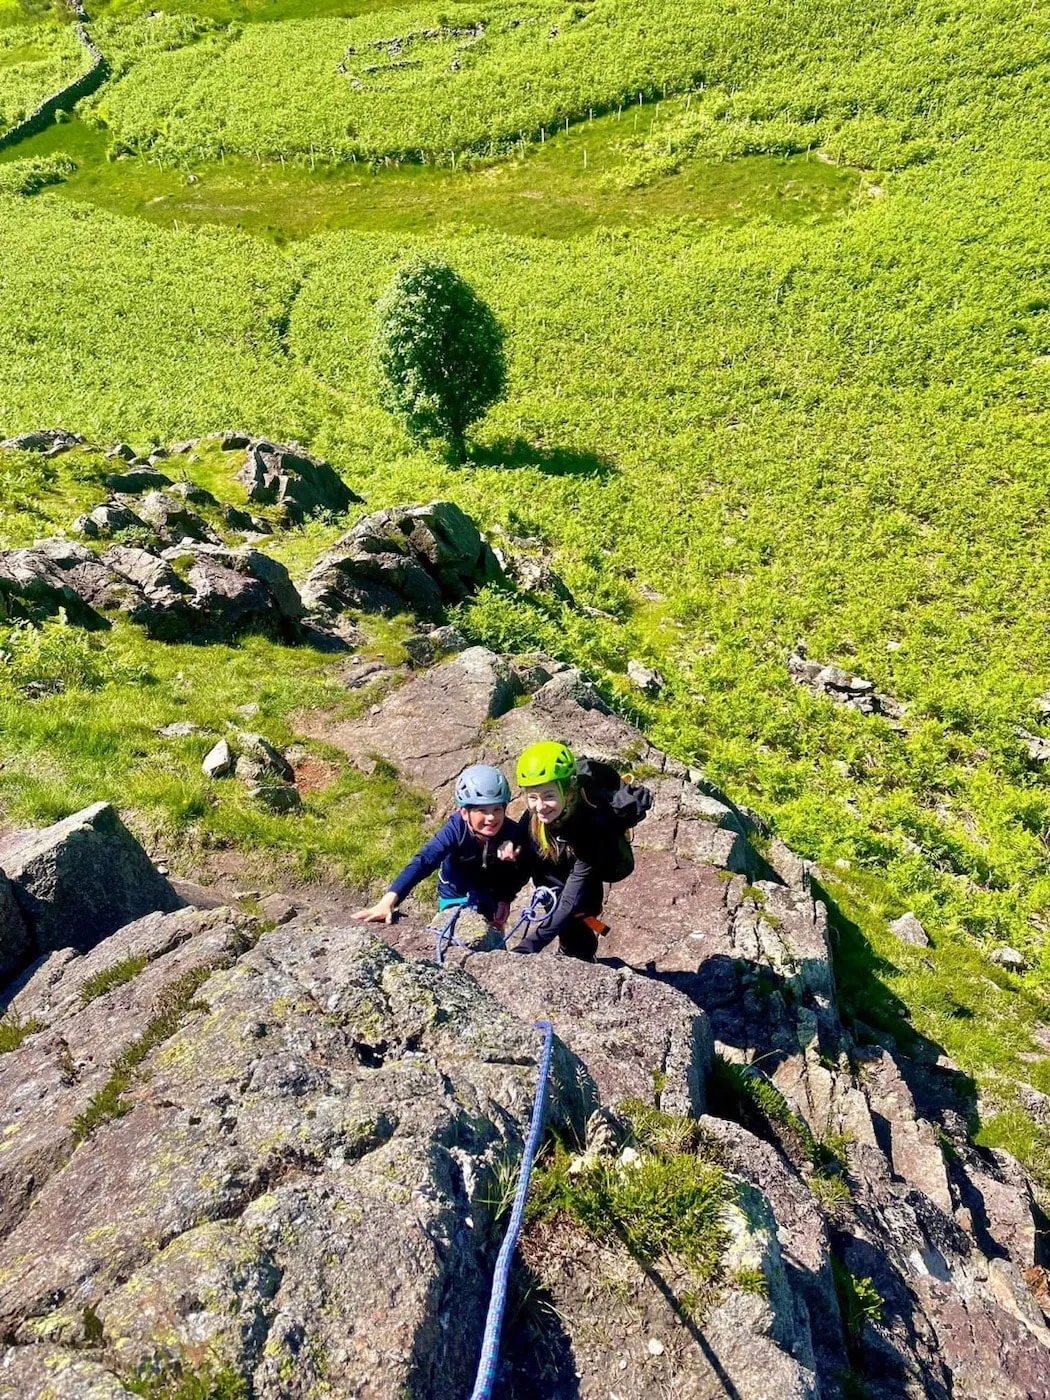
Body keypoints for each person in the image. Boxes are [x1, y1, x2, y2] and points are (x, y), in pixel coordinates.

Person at [352, 763, 527, 927]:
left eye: (497, 809)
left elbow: (523, 870)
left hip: (491, 894)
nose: (491, 818)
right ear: (465, 813)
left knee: (494, 939)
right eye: (482, 810)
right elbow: (425, 860)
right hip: (454, 894)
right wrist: (388, 901)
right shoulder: (455, 830)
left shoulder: (512, 833)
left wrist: (505, 897)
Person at [511, 741, 626, 961]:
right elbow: (522, 853)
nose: (540, 806)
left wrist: (527, 947)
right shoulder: (534, 817)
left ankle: (581, 956)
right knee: (567, 928)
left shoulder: (590, 829)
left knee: (575, 931)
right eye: (532, 797)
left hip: (580, 897)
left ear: (569, 792)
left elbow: (570, 902)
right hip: (551, 886)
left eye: (549, 796)